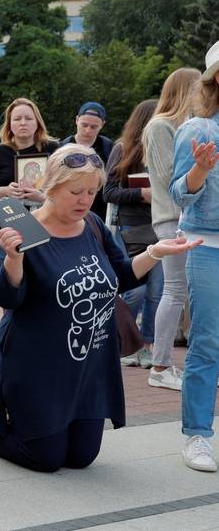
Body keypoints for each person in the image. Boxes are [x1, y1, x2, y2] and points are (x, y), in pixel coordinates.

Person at [0, 144, 196, 473]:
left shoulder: (94, 225)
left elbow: (121, 277)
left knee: (81, 457)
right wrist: (14, 259)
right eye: (76, 192)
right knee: (47, 459)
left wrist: (156, 251)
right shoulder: (23, 230)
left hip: (88, 365)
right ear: (51, 186)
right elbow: (7, 299)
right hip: (38, 365)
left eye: (91, 191)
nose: (85, 200)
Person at [169, 39, 219, 472]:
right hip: (210, 248)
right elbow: (177, 195)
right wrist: (200, 170)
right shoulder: (198, 130)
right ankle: (198, 434)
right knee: (208, 341)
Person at [143, 67, 202, 390]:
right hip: (174, 218)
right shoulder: (161, 126)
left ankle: (169, 364)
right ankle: (161, 365)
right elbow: (169, 178)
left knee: (188, 293)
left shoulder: (182, 125)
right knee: (176, 290)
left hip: (187, 219)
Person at [103, 100, 163, 371]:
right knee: (135, 290)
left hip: (163, 226)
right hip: (131, 229)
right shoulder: (122, 148)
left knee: (157, 292)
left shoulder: (166, 148)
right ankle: (127, 343)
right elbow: (109, 192)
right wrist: (142, 193)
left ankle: (148, 346)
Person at [0, 97, 59, 206]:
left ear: (37, 122)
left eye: (29, 118)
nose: (23, 123)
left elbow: (67, 185)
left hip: (47, 216)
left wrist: (42, 197)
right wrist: (6, 190)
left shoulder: (53, 149)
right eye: (17, 119)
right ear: (9, 124)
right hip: (10, 217)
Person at [60, 102, 114, 220]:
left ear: (102, 125)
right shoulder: (61, 148)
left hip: (100, 210)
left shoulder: (109, 148)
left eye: (93, 127)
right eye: (84, 125)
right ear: (76, 120)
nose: (88, 130)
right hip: (68, 208)